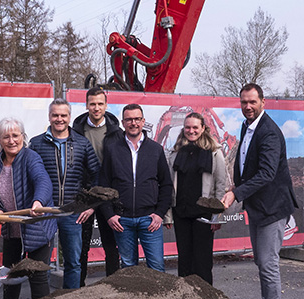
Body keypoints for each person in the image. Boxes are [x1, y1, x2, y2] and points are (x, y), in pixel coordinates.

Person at [222, 83, 299, 299]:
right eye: (244, 102)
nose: (248, 107)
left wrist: (236, 194)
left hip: (272, 208)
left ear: (263, 102)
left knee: (268, 263)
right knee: (261, 260)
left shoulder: (269, 133)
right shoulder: (247, 126)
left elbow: (266, 173)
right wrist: (237, 184)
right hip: (257, 206)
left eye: (252, 102)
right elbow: (246, 162)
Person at [0, 118, 56, 299]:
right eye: (6, 137)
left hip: (36, 227)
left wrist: (38, 201)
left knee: (37, 275)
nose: (11, 141)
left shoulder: (31, 157)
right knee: (11, 275)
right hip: (12, 229)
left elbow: (43, 180)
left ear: (23, 137)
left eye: (15, 135)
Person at [29, 98, 99, 289]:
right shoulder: (36, 143)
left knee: (73, 262)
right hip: (44, 211)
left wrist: (90, 206)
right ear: (49, 117)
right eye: (55, 115)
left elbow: (97, 175)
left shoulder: (82, 143)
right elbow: (28, 177)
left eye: (63, 115)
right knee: (41, 263)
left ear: (69, 117)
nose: (59, 119)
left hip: (72, 211)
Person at [100, 103, 173, 272]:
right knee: (128, 270)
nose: (133, 123)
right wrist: (110, 215)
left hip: (150, 219)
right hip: (122, 220)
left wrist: (159, 214)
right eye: (129, 119)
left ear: (143, 121)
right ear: (123, 123)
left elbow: (166, 184)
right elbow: (103, 186)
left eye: (137, 119)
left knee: (157, 268)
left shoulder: (155, 149)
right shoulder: (112, 150)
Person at [167, 112, 230, 284]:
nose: (191, 131)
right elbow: (169, 185)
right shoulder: (175, 152)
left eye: (195, 127)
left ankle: (205, 295)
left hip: (204, 215)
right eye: (187, 127)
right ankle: (186, 295)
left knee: (202, 260)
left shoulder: (214, 152)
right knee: (184, 259)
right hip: (181, 212)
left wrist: (217, 216)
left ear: (203, 128)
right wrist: (168, 214)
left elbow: (220, 185)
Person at [72, 86, 122, 285]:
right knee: (81, 247)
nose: (96, 108)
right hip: (84, 195)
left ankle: (113, 287)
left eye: (100, 104)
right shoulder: (76, 132)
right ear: (86, 105)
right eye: (92, 104)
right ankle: (79, 288)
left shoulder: (116, 133)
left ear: (106, 105)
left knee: (111, 245)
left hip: (109, 194)